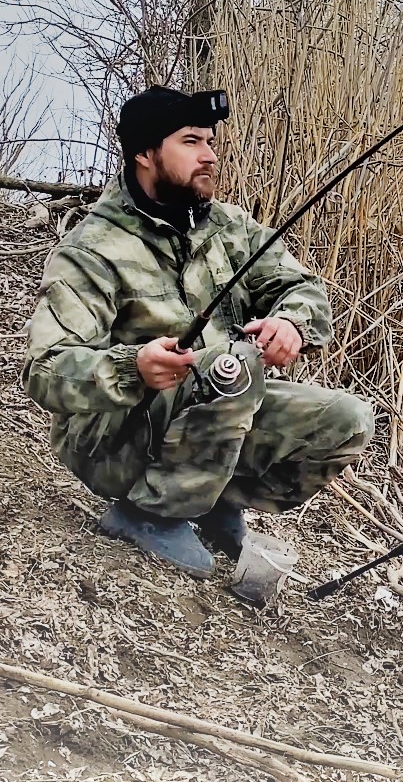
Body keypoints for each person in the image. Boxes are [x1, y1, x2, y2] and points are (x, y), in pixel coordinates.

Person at [21, 86, 374, 578]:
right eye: (191, 141)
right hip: (110, 440)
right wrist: (134, 367)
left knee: (347, 419)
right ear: (145, 153)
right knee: (232, 367)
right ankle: (150, 513)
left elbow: (303, 287)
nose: (210, 155)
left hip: (215, 411)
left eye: (210, 141)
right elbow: (44, 372)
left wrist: (290, 320)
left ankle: (209, 502)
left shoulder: (230, 227)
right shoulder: (91, 250)